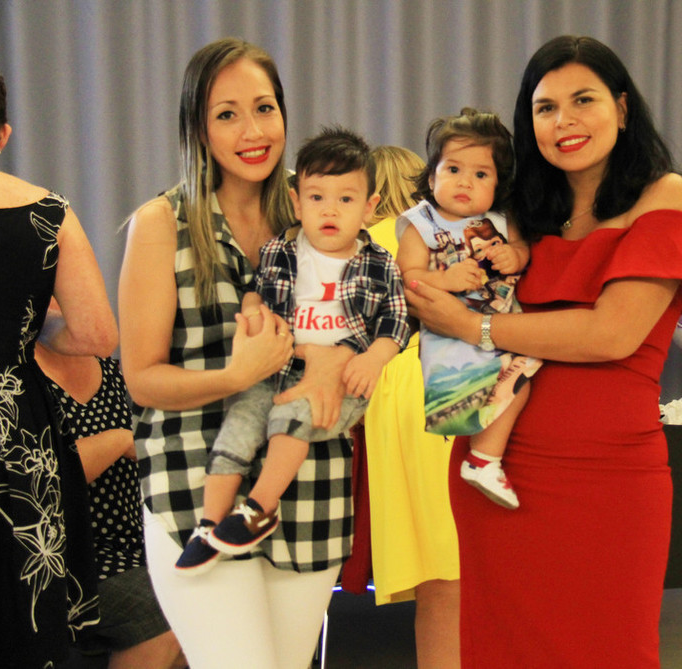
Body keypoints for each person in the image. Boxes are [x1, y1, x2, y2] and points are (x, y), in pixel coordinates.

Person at [405, 35, 682, 667]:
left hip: (611, 479)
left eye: (583, 100)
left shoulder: (665, 194)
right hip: (497, 473)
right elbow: (425, 277)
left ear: (622, 109)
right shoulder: (514, 212)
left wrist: (474, 328)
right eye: (545, 107)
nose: (564, 121)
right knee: (501, 651)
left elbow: (612, 334)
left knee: (612, 650)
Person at [118, 38, 360, 669]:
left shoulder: (320, 204)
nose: (253, 132)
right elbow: (141, 380)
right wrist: (236, 375)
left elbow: (382, 308)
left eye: (264, 108)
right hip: (194, 487)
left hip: (309, 488)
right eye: (227, 114)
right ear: (199, 128)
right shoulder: (161, 223)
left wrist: (342, 358)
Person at [176, 127, 409, 574]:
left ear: (369, 208)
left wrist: (374, 358)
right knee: (237, 428)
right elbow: (258, 293)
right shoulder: (280, 250)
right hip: (278, 367)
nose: (330, 210)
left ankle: (259, 508)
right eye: (317, 197)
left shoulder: (379, 264)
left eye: (346, 199)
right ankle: (208, 525)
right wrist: (252, 308)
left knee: (293, 417)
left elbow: (395, 322)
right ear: (297, 202)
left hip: (342, 380)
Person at [0, 62, 118, 668]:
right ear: (2, 134)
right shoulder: (48, 213)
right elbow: (96, 334)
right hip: (13, 430)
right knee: (23, 615)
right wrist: (25, 325)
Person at [396, 108, 540, 509]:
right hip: (449, 335)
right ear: (431, 177)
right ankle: (482, 458)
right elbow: (408, 277)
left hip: (502, 327)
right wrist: (446, 279)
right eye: (453, 169)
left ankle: (483, 459)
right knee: (466, 396)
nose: (465, 182)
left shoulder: (501, 220)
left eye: (481, 174)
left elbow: (523, 250)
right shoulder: (420, 224)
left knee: (518, 383)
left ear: (498, 184)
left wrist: (515, 255)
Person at [35, 308, 185, 669]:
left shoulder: (115, 371)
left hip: (138, 541)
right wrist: (118, 440)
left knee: (205, 600)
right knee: (163, 616)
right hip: (63, 556)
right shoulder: (16, 381)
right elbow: (38, 481)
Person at [364, 145, 462, 669]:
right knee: (456, 565)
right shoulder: (430, 234)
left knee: (434, 577)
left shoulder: (357, 244)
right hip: (440, 376)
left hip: (388, 397)